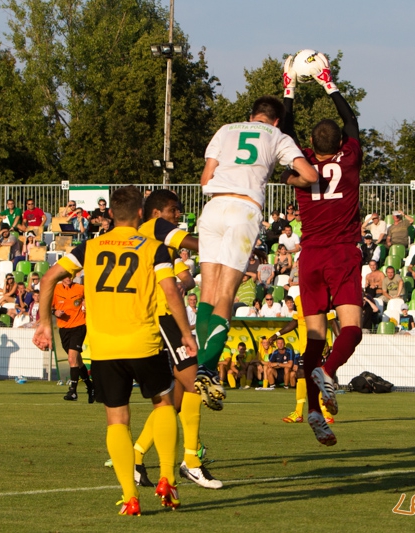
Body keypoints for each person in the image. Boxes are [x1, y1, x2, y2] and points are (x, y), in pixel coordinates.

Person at [32, 186, 196, 515]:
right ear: (140, 214)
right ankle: (166, 478)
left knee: (116, 419)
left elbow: (49, 277)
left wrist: (44, 323)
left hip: (104, 347)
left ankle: (129, 497)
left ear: (110, 215)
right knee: (164, 403)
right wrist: (184, 332)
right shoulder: (153, 247)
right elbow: (172, 291)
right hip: (143, 340)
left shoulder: (88, 247)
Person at [195, 95, 315, 393]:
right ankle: (206, 368)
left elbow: (205, 178)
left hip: (213, 208)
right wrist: (286, 178)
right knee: (226, 293)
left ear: (251, 115)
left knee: (207, 291)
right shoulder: (277, 135)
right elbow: (310, 175)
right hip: (244, 209)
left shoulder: (225, 130)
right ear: (276, 120)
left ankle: (200, 362)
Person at [280, 53, 363, 447]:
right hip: (342, 252)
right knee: (351, 329)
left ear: (311, 144)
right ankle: (329, 373)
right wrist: (328, 82)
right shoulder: (349, 158)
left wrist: (290, 88)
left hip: (310, 255)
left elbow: (287, 130)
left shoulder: (303, 165)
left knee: (312, 338)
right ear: (341, 143)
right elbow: (352, 122)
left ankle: (313, 409)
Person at [133, 189, 223, 490]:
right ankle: (191, 463)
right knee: (196, 379)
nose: (178, 216)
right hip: (162, 316)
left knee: (175, 397)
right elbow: (190, 243)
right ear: (157, 212)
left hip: (159, 316)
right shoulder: (155, 227)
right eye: (174, 210)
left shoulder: (151, 238)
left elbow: (182, 273)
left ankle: (136, 455)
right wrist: (226, 249)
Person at [52, 277, 93, 402]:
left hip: (79, 327)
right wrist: (55, 312)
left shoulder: (80, 288)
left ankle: (73, 391)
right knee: (77, 361)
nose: (68, 278)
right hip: (64, 328)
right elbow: (49, 306)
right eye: (65, 275)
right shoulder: (56, 289)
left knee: (71, 358)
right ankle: (91, 387)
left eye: (70, 275)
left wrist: (87, 303)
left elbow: (92, 298)